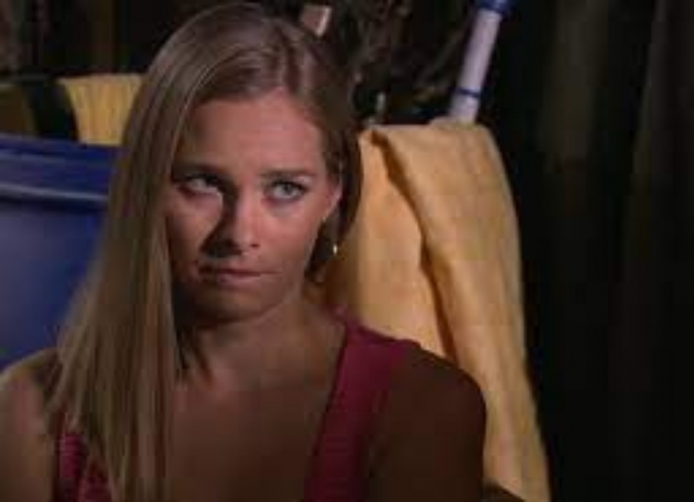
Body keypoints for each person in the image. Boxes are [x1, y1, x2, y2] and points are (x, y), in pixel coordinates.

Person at [0, 4, 487, 502]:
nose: (239, 233)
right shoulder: (34, 410)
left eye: (285, 189)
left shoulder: (419, 410)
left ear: (333, 194)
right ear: (145, 186)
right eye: (203, 183)